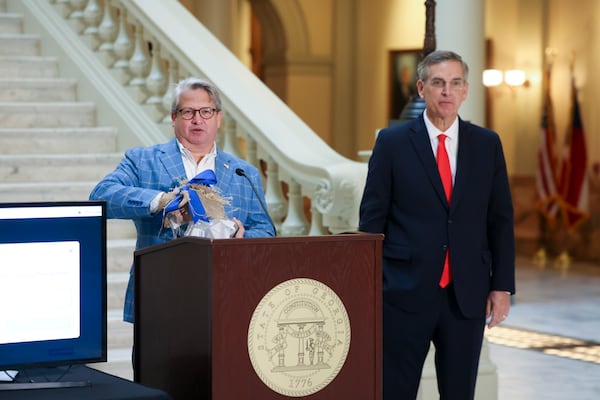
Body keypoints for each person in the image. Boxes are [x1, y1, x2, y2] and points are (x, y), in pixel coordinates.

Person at [359, 50, 515, 399]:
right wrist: (374, 286)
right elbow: (372, 220)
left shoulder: (487, 144)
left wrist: (501, 287)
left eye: (455, 83)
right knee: (394, 391)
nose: (447, 91)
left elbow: (500, 219)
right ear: (421, 88)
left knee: (460, 392)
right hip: (402, 292)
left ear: (465, 90)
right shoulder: (392, 143)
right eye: (438, 83)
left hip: (467, 296)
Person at [90, 77, 275, 323]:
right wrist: (161, 201)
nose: (198, 119)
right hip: (161, 295)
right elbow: (101, 195)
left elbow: (266, 231)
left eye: (206, 111)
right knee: (160, 363)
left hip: (228, 296)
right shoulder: (144, 160)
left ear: (218, 118)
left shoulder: (244, 172)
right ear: (174, 117)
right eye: (188, 112)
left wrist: (241, 237)